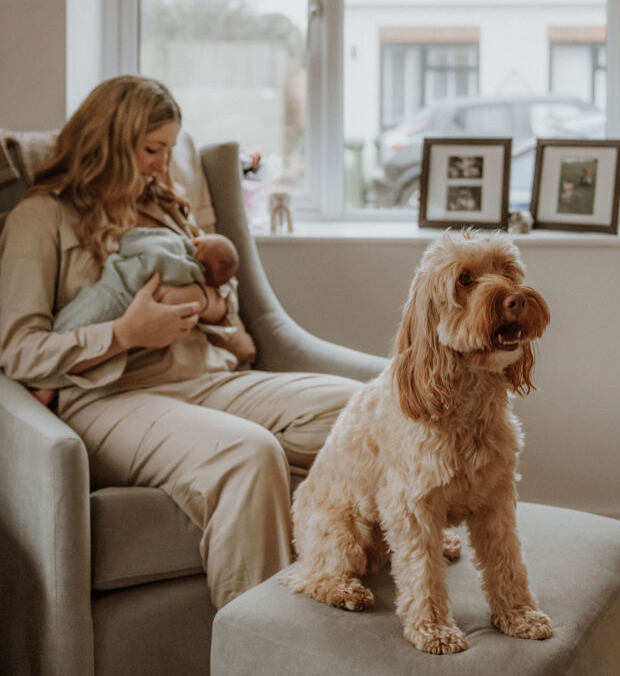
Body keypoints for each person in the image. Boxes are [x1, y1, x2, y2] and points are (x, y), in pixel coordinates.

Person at [0, 75, 359, 610]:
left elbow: (224, 305)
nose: (162, 166)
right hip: (111, 397)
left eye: (169, 150)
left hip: (208, 378)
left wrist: (210, 306)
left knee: (364, 409)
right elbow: (18, 350)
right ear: (108, 142)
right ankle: (262, 650)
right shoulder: (42, 216)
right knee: (247, 453)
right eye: (151, 149)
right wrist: (123, 334)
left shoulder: (168, 208)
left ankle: (347, 546)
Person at [54, 227, 240, 331]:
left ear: (196, 241)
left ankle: (45, 380)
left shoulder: (171, 240)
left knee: (67, 328)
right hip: (126, 310)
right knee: (84, 334)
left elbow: (130, 242)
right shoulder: (188, 279)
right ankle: (49, 387)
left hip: (112, 289)